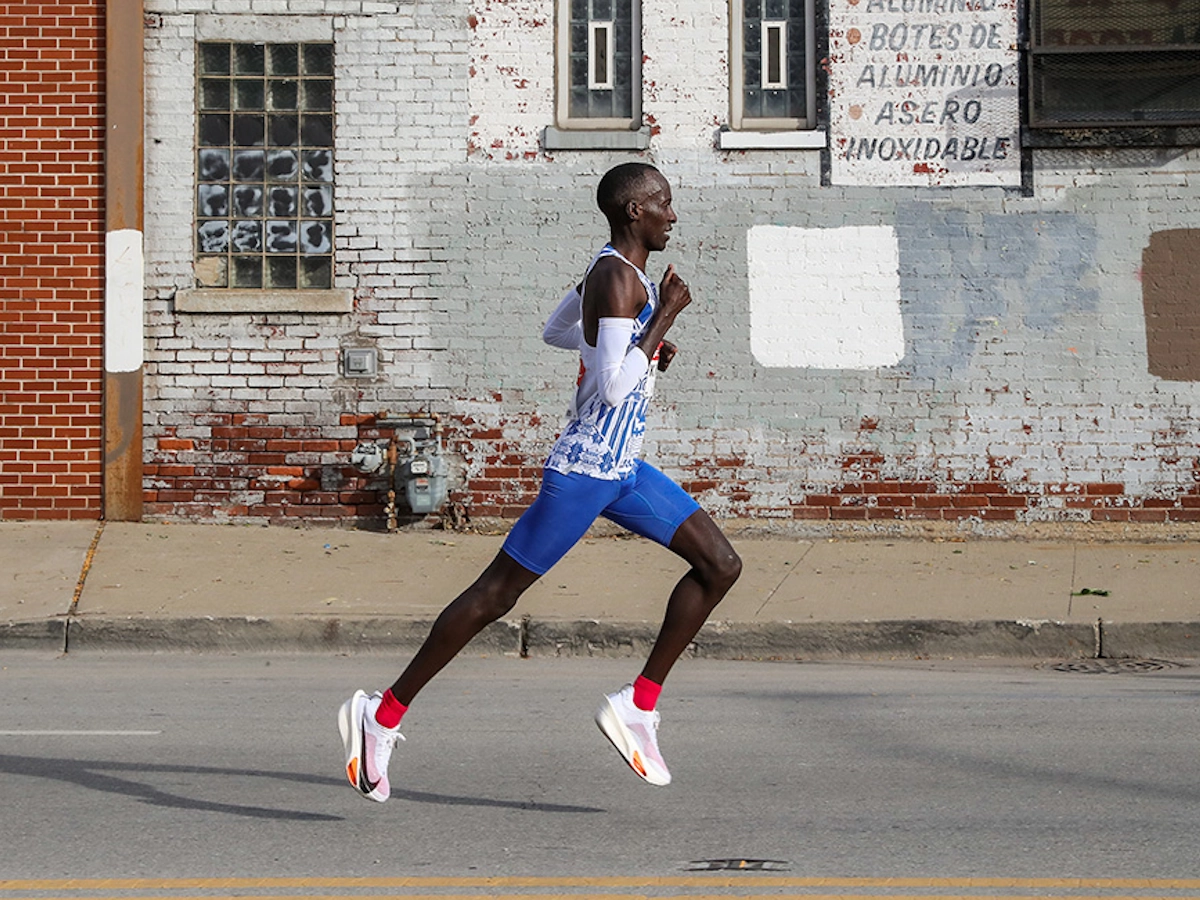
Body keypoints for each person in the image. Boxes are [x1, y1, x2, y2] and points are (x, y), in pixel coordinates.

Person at [338, 162, 742, 801]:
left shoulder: (612, 275)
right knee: (495, 596)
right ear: (635, 211)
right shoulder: (619, 279)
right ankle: (381, 715)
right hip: (584, 472)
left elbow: (558, 332)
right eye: (663, 201)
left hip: (622, 469)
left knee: (719, 565)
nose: (673, 212)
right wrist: (661, 319)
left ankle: (638, 706)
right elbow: (611, 387)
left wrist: (640, 338)